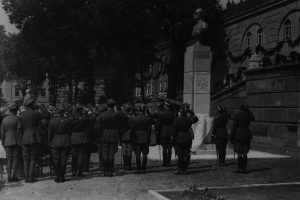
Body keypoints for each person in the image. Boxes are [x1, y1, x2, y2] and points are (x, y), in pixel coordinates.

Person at [20, 94, 49, 183]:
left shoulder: (22, 114)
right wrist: (42, 107)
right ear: (32, 104)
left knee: (25, 159)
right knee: (32, 159)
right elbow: (47, 115)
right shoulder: (36, 113)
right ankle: (31, 178)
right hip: (34, 137)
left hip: (25, 138)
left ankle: (26, 178)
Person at [97, 99, 120, 177]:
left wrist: (99, 136)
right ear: (113, 105)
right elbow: (118, 126)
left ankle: (105, 171)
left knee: (104, 154)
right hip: (113, 136)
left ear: (107, 105)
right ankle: (110, 171)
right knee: (111, 154)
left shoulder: (102, 115)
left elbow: (98, 127)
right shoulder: (116, 115)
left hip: (104, 135)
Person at [1, 104, 23, 182]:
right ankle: (14, 175)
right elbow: (19, 132)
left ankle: (9, 176)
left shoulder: (4, 120)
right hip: (16, 141)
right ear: (15, 110)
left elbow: (2, 133)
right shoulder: (17, 119)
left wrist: (3, 142)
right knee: (15, 159)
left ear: (10, 110)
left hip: (7, 142)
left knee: (9, 159)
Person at [48, 108, 71, 183]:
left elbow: (49, 134)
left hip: (55, 141)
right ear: (63, 113)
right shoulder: (67, 121)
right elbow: (69, 131)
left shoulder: (52, 121)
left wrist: (49, 142)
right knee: (63, 160)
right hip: (65, 141)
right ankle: (62, 176)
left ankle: (57, 176)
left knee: (56, 160)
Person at [231, 104, 255, 174]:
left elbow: (234, 128)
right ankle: (244, 169)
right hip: (246, 134)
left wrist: (231, 137)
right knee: (245, 152)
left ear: (240, 109)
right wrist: (249, 111)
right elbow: (253, 118)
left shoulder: (237, 116)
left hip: (238, 135)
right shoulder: (248, 115)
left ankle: (239, 168)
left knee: (239, 152)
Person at [70, 105, 92, 177]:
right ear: (80, 110)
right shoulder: (84, 118)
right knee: (81, 155)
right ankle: (79, 172)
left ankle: (73, 172)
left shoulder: (71, 118)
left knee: (74, 155)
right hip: (82, 137)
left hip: (73, 137)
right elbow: (90, 123)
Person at [172, 110, 193, 174]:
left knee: (179, 154)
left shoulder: (177, 120)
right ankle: (184, 169)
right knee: (185, 154)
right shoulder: (189, 120)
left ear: (180, 113)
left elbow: (175, 129)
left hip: (179, 137)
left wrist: (173, 136)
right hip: (187, 136)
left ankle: (180, 168)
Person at [131, 107, 151, 174]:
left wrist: (132, 138)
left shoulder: (134, 119)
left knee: (137, 153)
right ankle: (144, 169)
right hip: (145, 136)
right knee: (145, 154)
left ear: (138, 110)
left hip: (137, 137)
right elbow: (149, 129)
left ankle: (139, 169)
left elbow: (132, 129)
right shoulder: (147, 119)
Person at [157, 102, 175, 167]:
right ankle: (169, 162)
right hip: (171, 131)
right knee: (170, 148)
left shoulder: (161, 113)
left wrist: (158, 132)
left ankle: (165, 162)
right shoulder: (173, 113)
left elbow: (159, 123)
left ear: (166, 106)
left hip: (163, 131)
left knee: (164, 148)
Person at [120, 105, 133, 171]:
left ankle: (125, 165)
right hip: (130, 135)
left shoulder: (123, 118)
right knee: (129, 151)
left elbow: (120, 127)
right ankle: (129, 165)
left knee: (124, 151)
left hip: (123, 136)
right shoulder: (131, 117)